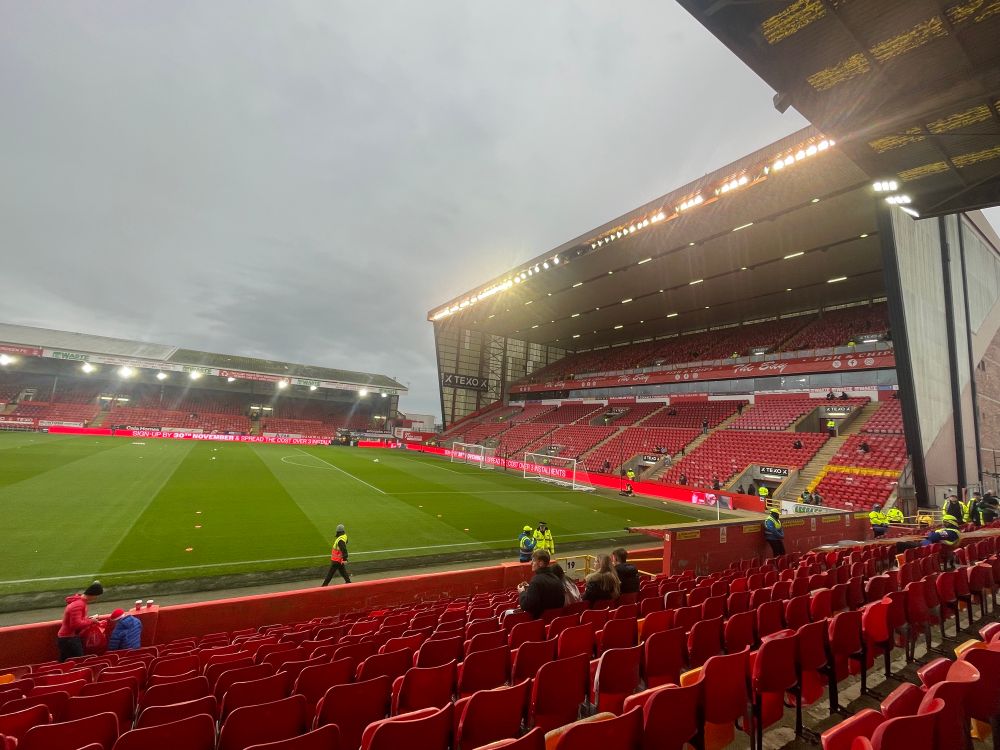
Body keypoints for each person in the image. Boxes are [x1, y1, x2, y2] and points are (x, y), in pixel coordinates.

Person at [57, 581, 103, 662]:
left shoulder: (79, 602)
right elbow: (75, 624)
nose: (96, 598)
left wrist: (89, 619)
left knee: (66, 663)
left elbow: (78, 620)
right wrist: (91, 621)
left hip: (68, 638)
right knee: (79, 662)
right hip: (69, 639)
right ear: (93, 595)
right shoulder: (79, 605)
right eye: (96, 596)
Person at [518, 549, 565, 618]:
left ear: (541, 563)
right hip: (554, 620)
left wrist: (522, 592)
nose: (531, 563)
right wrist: (531, 588)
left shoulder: (536, 581)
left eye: (533, 560)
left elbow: (526, 606)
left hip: (540, 621)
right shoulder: (556, 579)